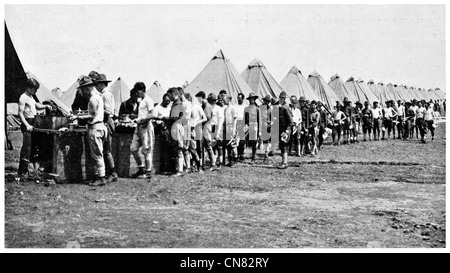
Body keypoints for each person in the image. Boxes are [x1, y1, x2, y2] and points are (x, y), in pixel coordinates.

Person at [70, 76, 108, 186]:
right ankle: (98, 176)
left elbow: (91, 115)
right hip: (100, 126)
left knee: (97, 154)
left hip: (95, 128)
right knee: (97, 153)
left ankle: (101, 178)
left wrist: (77, 117)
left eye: (82, 89)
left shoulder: (93, 99)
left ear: (87, 88)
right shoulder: (98, 97)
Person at [17, 78, 53, 178]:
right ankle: (22, 172)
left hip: (33, 122)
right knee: (27, 148)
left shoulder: (31, 97)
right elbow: (20, 113)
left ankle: (31, 171)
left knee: (34, 147)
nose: (36, 91)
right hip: (27, 123)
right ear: (29, 88)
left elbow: (36, 105)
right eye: (34, 89)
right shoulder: (23, 97)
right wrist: (27, 125)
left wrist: (45, 106)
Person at [92, 73, 118, 183]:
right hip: (106, 121)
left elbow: (108, 111)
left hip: (107, 121)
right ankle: (110, 172)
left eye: (97, 84)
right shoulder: (106, 94)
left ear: (101, 84)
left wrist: (98, 110)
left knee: (106, 150)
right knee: (105, 150)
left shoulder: (106, 95)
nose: (96, 86)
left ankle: (112, 173)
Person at [130, 82, 154, 179]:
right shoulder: (140, 101)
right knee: (133, 148)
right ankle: (141, 168)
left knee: (146, 150)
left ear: (143, 90)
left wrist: (142, 119)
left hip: (146, 127)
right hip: (139, 127)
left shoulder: (149, 100)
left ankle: (148, 172)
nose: (137, 93)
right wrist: (136, 117)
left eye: (138, 91)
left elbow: (152, 114)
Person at [152, 93, 172, 173]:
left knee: (168, 149)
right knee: (162, 149)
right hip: (160, 131)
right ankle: (162, 167)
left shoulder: (169, 108)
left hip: (168, 130)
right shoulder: (157, 108)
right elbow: (153, 119)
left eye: (169, 101)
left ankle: (167, 167)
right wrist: (160, 122)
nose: (167, 102)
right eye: (166, 101)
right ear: (163, 99)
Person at [188, 93, 206, 172]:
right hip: (189, 129)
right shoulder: (185, 108)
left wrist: (197, 123)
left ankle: (200, 166)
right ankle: (192, 166)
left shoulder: (197, 107)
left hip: (197, 129)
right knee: (191, 148)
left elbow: (204, 118)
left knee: (198, 148)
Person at [277, 91, 294, 169]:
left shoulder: (285, 108)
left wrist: (287, 131)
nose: (280, 99)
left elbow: (291, 122)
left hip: (285, 130)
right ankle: (283, 162)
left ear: (284, 99)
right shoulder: (280, 108)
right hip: (281, 129)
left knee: (284, 146)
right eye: (280, 98)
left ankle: (285, 162)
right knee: (282, 145)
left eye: (282, 98)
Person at [244, 92, 261, 163]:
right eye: (250, 99)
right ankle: (240, 155)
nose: (251, 100)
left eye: (252, 99)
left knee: (254, 142)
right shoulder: (246, 108)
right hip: (247, 125)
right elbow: (244, 118)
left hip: (254, 125)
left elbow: (259, 120)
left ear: (254, 100)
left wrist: (259, 130)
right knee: (243, 141)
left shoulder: (257, 109)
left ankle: (253, 157)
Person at [223, 94, 238, 167]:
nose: (223, 100)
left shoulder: (233, 108)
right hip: (227, 128)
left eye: (225, 99)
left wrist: (234, 129)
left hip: (232, 128)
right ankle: (230, 160)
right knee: (228, 145)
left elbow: (235, 119)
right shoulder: (225, 109)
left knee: (233, 145)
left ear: (228, 99)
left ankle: (235, 161)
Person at [234, 93, 246, 161]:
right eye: (238, 98)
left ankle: (241, 154)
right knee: (236, 139)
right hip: (236, 122)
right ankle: (236, 154)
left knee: (242, 140)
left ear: (242, 99)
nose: (239, 99)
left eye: (240, 98)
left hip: (242, 123)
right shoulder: (235, 106)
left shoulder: (245, 107)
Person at [260, 95, 272, 160]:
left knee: (268, 140)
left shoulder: (270, 108)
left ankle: (266, 153)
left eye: (267, 101)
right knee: (265, 140)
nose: (266, 102)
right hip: (262, 125)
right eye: (265, 101)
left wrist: (271, 122)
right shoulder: (260, 108)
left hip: (269, 126)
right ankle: (265, 154)